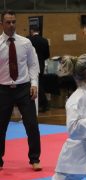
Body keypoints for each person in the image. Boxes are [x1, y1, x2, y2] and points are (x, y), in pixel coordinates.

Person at [0, 10, 42, 171]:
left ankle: (35, 159)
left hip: (24, 88)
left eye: (13, 22)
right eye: (8, 22)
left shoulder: (25, 43)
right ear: (2, 24)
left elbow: (33, 65)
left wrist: (34, 84)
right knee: (1, 126)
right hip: (3, 90)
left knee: (32, 124)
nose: (11, 25)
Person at [28, 26, 50, 112]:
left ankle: (44, 104)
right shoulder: (44, 40)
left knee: (36, 86)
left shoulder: (29, 40)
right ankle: (42, 104)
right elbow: (47, 55)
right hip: (41, 65)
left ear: (32, 30)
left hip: (32, 66)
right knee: (40, 85)